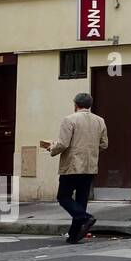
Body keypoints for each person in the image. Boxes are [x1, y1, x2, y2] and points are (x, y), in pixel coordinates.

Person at [41, 92, 108, 244]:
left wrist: (51, 148)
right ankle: (74, 234)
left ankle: (85, 218)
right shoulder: (100, 121)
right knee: (81, 199)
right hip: (90, 165)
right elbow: (104, 144)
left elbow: (63, 143)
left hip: (72, 165)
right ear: (89, 105)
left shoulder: (69, 120)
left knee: (63, 196)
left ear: (76, 104)